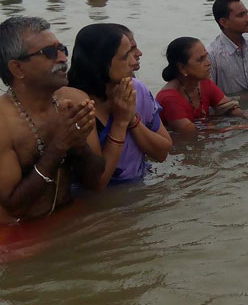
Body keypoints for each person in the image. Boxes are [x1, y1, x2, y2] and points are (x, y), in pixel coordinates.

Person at [0, 16, 104, 223]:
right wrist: (59, 146)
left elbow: (93, 180)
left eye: (63, 49)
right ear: (17, 68)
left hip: (67, 217)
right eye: (50, 53)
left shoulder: (76, 99)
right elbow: (15, 206)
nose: (62, 58)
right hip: (16, 234)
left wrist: (78, 144)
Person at [66, 24, 171, 186]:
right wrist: (120, 123)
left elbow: (163, 152)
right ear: (100, 62)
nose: (133, 60)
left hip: (139, 186)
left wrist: (132, 120)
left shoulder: (137, 89)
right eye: (125, 56)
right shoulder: (77, 102)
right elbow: (97, 183)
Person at [155, 37, 248, 136]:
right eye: (201, 60)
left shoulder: (204, 83)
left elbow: (228, 107)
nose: (208, 63)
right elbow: (191, 134)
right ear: (182, 67)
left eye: (206, 57)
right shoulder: (170, 99)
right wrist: (238, 128)